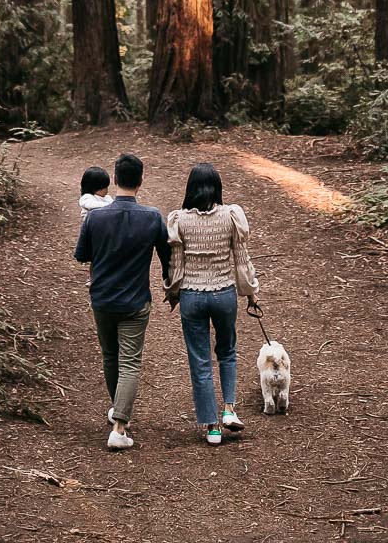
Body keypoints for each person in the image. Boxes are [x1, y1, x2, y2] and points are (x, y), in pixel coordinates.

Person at [73, 153, 171, 451]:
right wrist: (171, 286)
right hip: (135, 301)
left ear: (115, 179)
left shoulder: (95, 217)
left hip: (102, 299)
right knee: (129, 362)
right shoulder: (152, 217)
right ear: (141, 181)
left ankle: (118, 410)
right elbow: (168, 258)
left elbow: (81, 255)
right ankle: (119, 425)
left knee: (110, 356)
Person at [164, 162, 259, 445]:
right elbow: (241, 261)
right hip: (224, 294)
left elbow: (176, 267)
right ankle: (229, 409)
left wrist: (173, 293)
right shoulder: (231, 216)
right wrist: (251, 294)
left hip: (192, 296)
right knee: (227, 351)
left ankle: (212, 427)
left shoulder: (179, 220)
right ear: (217, 187)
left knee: (200, 360)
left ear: (190, 188)